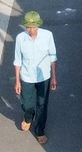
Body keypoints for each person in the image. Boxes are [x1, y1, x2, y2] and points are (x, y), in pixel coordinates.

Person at [13, 11, 57, 144]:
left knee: (42, 105)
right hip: (27, 77)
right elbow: (18, 60)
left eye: (33, 27)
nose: (31, 30)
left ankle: (40, 131)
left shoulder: (48, 36)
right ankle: (28, 117)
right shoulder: (20, 38)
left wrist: (54, 77)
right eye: (28, 27)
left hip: (44, 76)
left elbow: (53, 57)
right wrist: (17, 81)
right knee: (27, 104)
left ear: (38, 26)